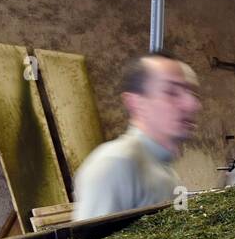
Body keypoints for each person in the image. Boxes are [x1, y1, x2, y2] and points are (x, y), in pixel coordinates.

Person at [73, 52, 202, 221]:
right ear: (136, 103)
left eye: (190, 93)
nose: (192, 104)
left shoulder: (165, 169)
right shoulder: (116, 164)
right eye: (171, 92)